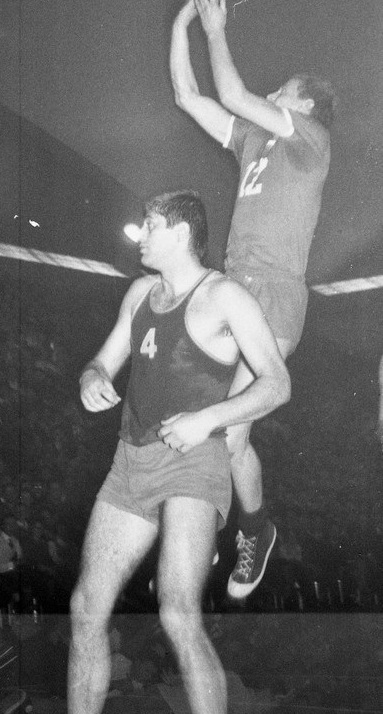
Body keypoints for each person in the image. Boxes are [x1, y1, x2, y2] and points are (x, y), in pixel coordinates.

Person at [68, 190, 290, 714]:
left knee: (177, 614)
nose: (140, 235)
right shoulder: (139, 293)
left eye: (150, 226)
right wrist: (91, 377)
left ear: (183, 234)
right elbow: (102, 360)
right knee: (84, 608)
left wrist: (208, 418)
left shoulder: (225, 296)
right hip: (131, 460)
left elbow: (277, 384)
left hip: (194, 462)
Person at [170, 0, 335, 598]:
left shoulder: (310, 139)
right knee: (218, 430)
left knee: (226, 429)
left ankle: (248, 529)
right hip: (230, 290)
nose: (275, 93)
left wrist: (216, 28)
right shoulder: (254, 142)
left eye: (286, 89)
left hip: (275, 294)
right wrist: (183, 23)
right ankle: (250, 525)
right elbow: (191, 98)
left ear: (306, 103)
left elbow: (236, 95)